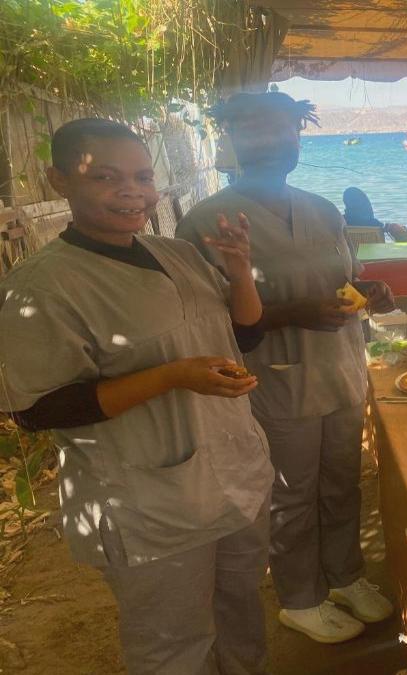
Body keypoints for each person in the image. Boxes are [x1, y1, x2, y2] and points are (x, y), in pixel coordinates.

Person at [0, 119, 274, 673]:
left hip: (236, 472)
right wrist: (171, 376)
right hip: (148, 500)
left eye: (143, 177)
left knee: (242, 611)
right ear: (58, 181)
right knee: (174, 645)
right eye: (105, 177)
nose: (133, 192)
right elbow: (35, 409)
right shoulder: (43, 286)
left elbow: (244, 334)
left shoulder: (179, 253)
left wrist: (240, 272)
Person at [177, 92, 395, 645]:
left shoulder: (322, 210)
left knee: (342, 485)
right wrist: (292, 313)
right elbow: (203, 321)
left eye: (286, 129)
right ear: (231, 138)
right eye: (257, 130)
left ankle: (345, 576)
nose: (275, 140)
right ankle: (301, 598)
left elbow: (344, 276)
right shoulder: (206, 221)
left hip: (341, 372)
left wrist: (369, 289)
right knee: (292, 494)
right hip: (273, 382)